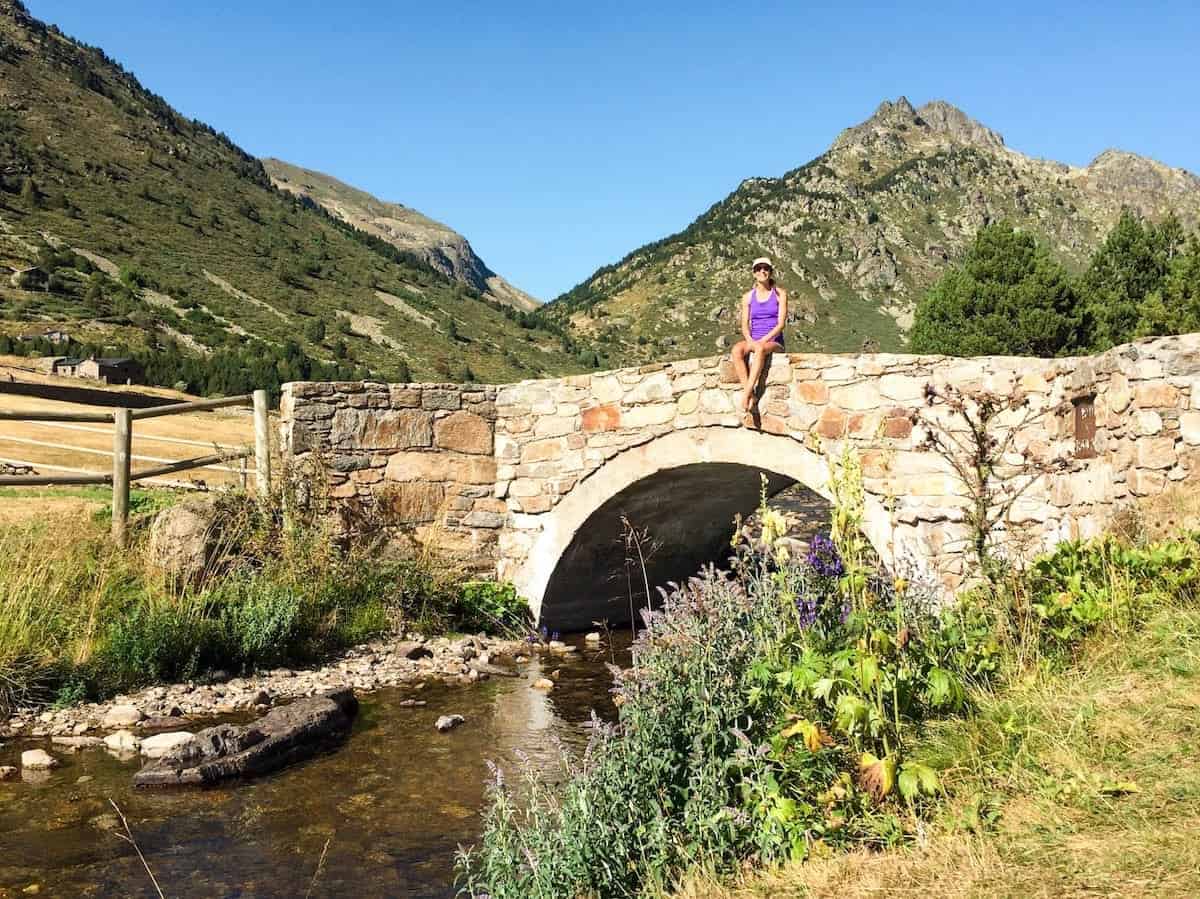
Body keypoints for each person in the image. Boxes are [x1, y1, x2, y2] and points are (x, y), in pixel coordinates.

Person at [731, 257, 787, 414]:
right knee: (737, 350)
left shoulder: (780, 294)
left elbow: (781, 324)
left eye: (766, 268)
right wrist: (749, 340)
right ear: (754, 273)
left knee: (761, 349)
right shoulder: (748, 297)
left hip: (773, 341)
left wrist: (762, 340)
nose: (763, 271)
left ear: (770, 271)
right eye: (759, 268)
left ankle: (746, 395)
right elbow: (744, 324)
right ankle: (751, 393)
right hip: (754, 338)